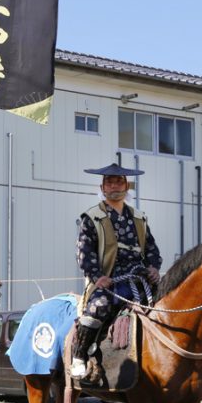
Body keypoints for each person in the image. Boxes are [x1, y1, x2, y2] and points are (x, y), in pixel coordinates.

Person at [72, 163, 163, 380]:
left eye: (119, 181)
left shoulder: (139, 217)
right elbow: (84, 251)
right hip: (110, 279)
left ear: (126, 186)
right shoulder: (92, 217)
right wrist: (97, 277)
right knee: (99, 307)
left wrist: (153, 268)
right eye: (109, 182)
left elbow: (151, 248)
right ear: (103, 187)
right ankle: (80, 355)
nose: (114, 186)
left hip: (138, 278)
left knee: (168, 301)